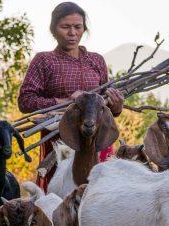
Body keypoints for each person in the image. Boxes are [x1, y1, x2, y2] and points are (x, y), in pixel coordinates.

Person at [18, 2, 124, 191]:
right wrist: (64, 102)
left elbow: (105, 105)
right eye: (65, 27)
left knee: (101, 190)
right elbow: (25, 100)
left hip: (97, 139)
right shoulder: (44, 60)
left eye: (78, 27)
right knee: (60, 194)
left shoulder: (96, 60)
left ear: (84, 29)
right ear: (53, 30)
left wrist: (116, 107)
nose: (72, 33)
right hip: (62, 139)